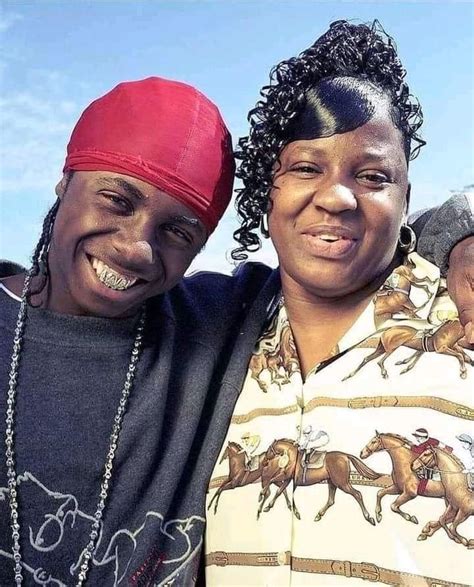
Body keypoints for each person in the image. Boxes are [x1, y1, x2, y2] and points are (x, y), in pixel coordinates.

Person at [0, 43, 472, 587]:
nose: (135, 249)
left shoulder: (456, 323)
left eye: (372, 178)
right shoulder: (229, 326)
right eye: (116, 200)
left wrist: (459, 230)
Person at [205, 21, 473, 586]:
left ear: (405, 198)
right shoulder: (208, 336)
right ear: (266, 188)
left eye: (373, 175)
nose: (336, 196)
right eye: (306, 167)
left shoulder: (462, 327)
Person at [0, 75, 247, 586]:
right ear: (65, 181)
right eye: (117, 200)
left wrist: (457, 248)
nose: (137, 248)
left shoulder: (215, 325)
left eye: (178, 231)